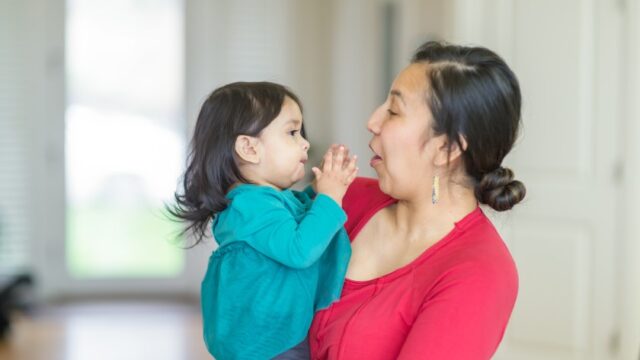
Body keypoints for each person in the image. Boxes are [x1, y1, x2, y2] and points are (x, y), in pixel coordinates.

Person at [308, 41, 526, 359]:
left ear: (446, 149)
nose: (372, 121)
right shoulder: (344, 198)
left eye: (394, 111)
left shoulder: (481, 273)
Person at [168, 82, 358, 359]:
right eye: (292, 132)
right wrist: (329, 198)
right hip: (272, 344)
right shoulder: (250, 205)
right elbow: (299, 249)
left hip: (279, 337)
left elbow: (294, 220)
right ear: (249, 148)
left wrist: (320, 192)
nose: (305, 142)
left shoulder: (262, 201)